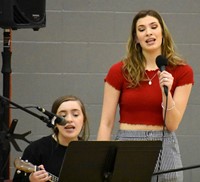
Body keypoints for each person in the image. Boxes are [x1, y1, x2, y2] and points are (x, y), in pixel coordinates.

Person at [97, 9, 194, 182]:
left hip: (164, 145)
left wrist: (167, 92)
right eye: (141, 29)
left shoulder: (182, 71)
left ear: (162, 33)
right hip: (128, 144)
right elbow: (106, 122)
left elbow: (172, 125)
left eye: (153, 27)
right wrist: (98, 161)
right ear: (136, 38)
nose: (148, 32)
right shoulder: (119, 70)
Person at [13, 95, 90, 182]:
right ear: (54, 122)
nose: (69, 119)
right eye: (63, 116)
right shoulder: (36, 149)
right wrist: (31, 180)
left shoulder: (91, 152)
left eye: (75, 115)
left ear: (83, 120)